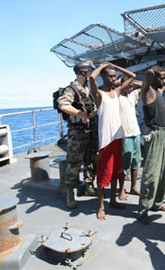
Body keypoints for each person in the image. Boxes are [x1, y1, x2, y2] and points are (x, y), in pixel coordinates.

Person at [89, 62, 136, 220]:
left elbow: (133, 76)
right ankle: (101, 206)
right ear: (103, 76)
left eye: (114, 76)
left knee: (117, 172)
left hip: (118, 137)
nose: (113, 79)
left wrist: (114, 66)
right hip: (106, 140)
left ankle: (113, 200)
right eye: (110, 76)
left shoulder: (116, 92)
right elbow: (91, 77)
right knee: (103, 174)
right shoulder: (99, 94)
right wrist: (103, 66)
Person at [138, 65, 165, 225]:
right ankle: (143, 210)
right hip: (154, 135)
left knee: (163, 170)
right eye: (161, 78)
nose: (164, 80)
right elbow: (148, 73)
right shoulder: (147, 90)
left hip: (164, 133)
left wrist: (163, 77)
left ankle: (157, 203)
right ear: (154, 79)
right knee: (151, 173)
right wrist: (155, 75)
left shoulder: (160, 91)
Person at [57, 60, 98, 209]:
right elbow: (62, 104)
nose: (91, 74)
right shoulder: (72, 89)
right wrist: (80, 114)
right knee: (74, 163)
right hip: (78, 132)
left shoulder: (86, 89)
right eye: (90, 72)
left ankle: (89, 185)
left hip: (91, 131)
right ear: (83, 72)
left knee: (91, 159)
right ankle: (70, 193)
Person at [118, 75, 143, 200]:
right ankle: (121, 189)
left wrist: (134, 82)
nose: (131, 88)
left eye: (132, 86)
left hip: (136, 133)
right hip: (125, 135)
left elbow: (144, 85)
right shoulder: (117, 97)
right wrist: (122, 82)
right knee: (124, 164)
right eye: (129, 86)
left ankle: (133, 187)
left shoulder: (132, 95)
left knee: (135, 163)